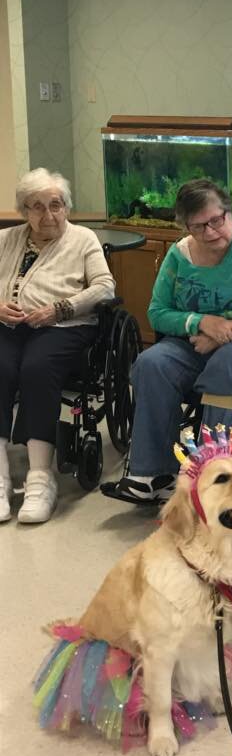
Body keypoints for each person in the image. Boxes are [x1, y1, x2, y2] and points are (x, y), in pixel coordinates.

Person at [103, 179, 232, 504]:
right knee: (151, 363)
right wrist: (203, 323)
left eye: (216, 220)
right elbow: (157, 313)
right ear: (186, 227)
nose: (209, 232)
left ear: (229, 212)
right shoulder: (179, 255)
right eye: (198, 226)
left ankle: (211, 475)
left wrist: (226, 333)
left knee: (227, 363)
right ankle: (152, 475)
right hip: (193, 342)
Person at [0, 168, 115, 523]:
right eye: (37, 206)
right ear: (24, 210)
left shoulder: (83, 239)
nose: (48, 214)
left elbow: (104, 286)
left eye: (56, 205)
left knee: (37, 368)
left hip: (63, 327)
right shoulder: (5, 238)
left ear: (66, 207)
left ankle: (40, 477)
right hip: (8, 326)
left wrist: (59, 309)